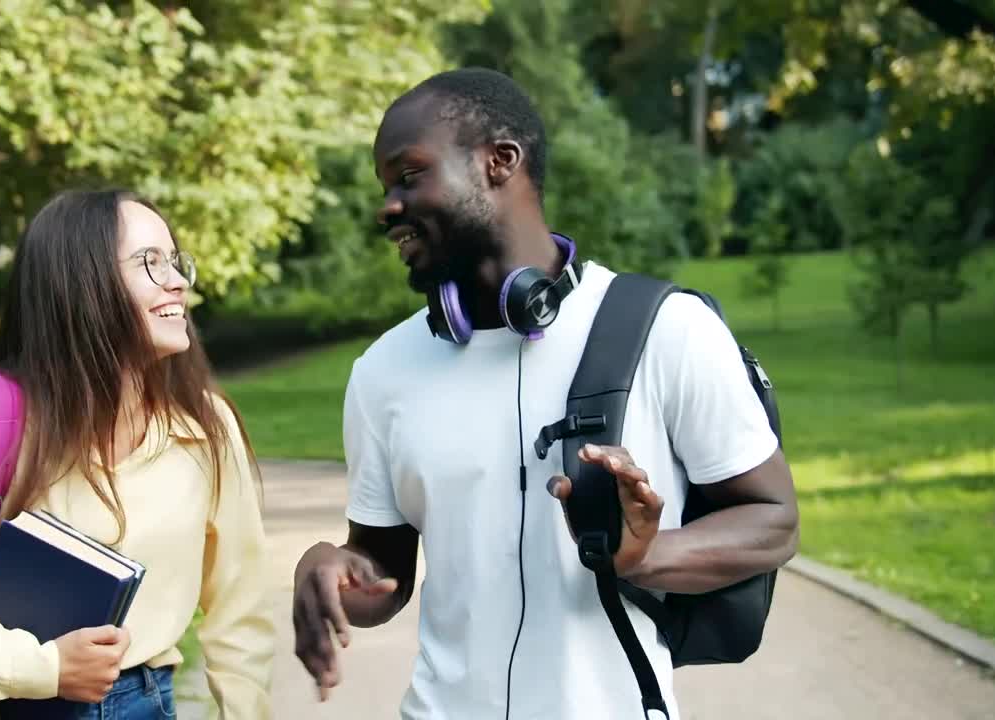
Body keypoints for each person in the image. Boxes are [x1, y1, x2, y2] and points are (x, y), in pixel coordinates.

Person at [291, 67, 799, 719]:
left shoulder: (668, 330)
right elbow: (381, 574)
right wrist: (330, 565)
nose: (388, 207)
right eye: (386, 187)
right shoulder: (382, 371)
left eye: (409, 176)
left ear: (500, 161)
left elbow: (772, 519)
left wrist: (645, 555)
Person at [0, 189, 275, 718]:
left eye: (175, 261)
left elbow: (241, 614)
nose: (177, 281)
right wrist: (45, 667)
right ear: (81, 284)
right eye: (150, 263)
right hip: (7, 703)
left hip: (147, 703)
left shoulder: (206, 427)